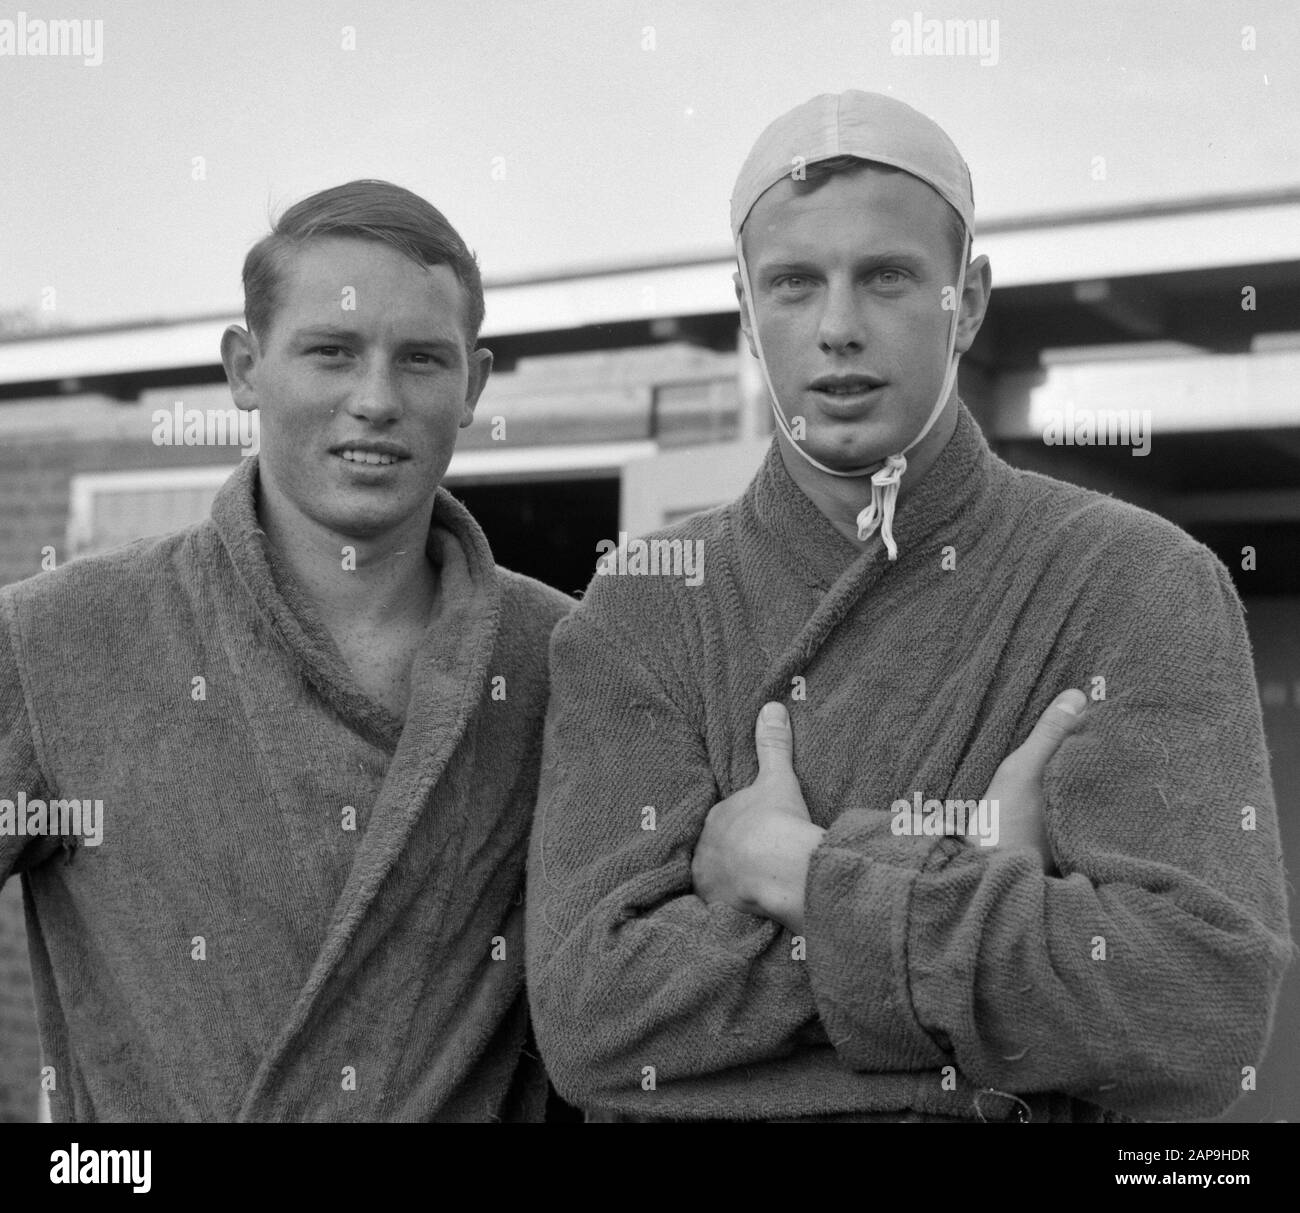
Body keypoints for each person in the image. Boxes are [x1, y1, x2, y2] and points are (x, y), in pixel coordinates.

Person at [526, 92, 1292, 1122]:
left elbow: (1198, 998)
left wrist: (800, 876)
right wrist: (970, 885)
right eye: (793, 284)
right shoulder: (645, 604)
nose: (837, 329)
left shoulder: (1136, 583)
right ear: (747, 310)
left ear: (965, 300)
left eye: (885, 277)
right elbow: (593, 1023)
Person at [0, 180, 572, 1121]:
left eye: (422, 359)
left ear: (473, 385)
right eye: (332, 353)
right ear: (244, 366)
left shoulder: (560, 659)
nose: (376, 400)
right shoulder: (56, 639)